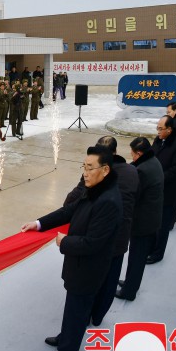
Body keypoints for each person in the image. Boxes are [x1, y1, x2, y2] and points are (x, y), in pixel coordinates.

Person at [21, 146, 122, 351]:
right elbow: (68, 211)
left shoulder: (108, 201)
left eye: (90, 168)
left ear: (105, 170)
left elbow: (94, 242)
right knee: (73, 307)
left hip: (89, 267)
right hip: (79, 265)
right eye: (83, 167)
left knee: (78, 310)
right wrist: (38, 224)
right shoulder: (94, 189)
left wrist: (64, 242)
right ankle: (66, 336)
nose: (85, 173)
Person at [62, 136, 137, 326]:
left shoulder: (106, 180)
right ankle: (97, 315)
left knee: (95, 279)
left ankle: (88, 316)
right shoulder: (131, 171)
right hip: (120, 236)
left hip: (101, 235)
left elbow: (76, 197)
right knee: (109, 279)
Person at [117, 137, 163, 301]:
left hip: (143, 222)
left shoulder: (144, 170)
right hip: (150, 218)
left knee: (136, 259)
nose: (132, 157)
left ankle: (129, 291)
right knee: (137, 257)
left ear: (139, 153)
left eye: (133, 154)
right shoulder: (152, 161)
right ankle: (129, 283)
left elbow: (134, 194)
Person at [147, 115, 176, 264]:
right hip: (155, 190)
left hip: (168, 191)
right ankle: (150, 249)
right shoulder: (158, 140)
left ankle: (158, 254)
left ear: (169, 130)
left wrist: (159, 177)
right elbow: (150, 155)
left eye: (160, 128)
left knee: (163, 225)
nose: (158, 131)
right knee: (153, 222)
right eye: (157, 128)